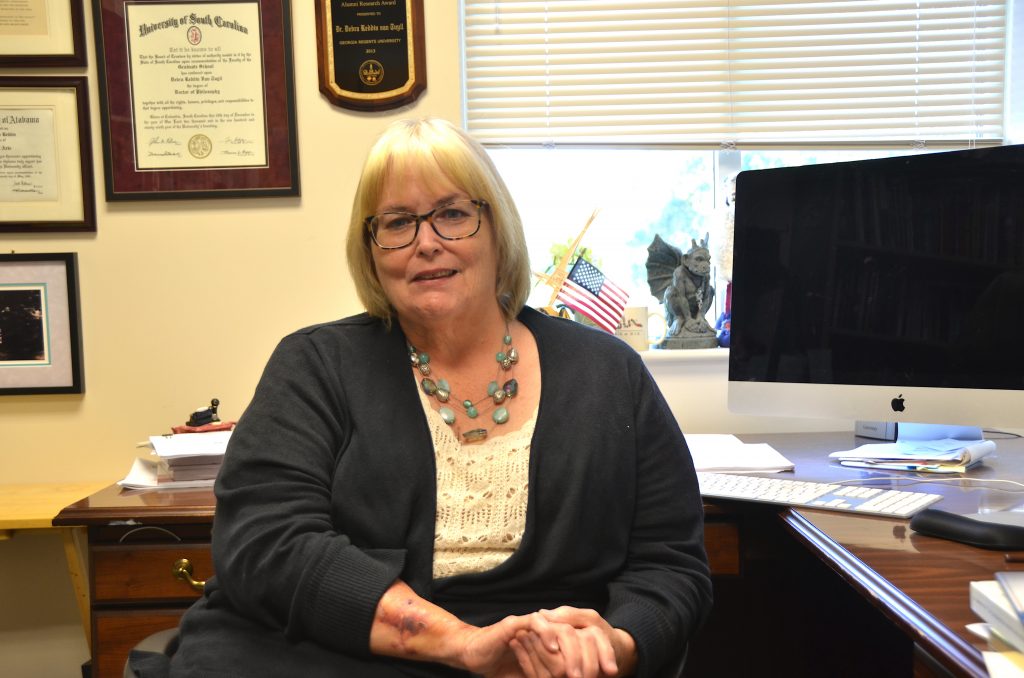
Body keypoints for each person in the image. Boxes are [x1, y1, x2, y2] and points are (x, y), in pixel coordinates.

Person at [168, 118, 712, 678]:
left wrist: (615, 646)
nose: (426, 243)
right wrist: (464, 645)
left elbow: (670, 565)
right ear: (372, 250)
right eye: (398, 222)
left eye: (453, 214)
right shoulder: (313, 366)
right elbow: (266, 545)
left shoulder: (609, 373)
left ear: (497, 228)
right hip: (334, 650)